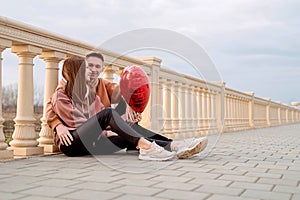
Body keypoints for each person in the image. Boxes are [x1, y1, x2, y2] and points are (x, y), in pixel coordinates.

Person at [47, 56, 207, 160]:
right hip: (73, 145)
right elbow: (82, 124)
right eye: (86, 68)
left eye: (93, 68)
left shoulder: (91, 92)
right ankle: (148, 147)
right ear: (75, 73)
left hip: (94, 144)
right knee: (110, 114)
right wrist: (57, 125)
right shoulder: (61, 95)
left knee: (128, 133)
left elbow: (116, 96)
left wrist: (123, 121)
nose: (90, 71)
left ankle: (174, 146)